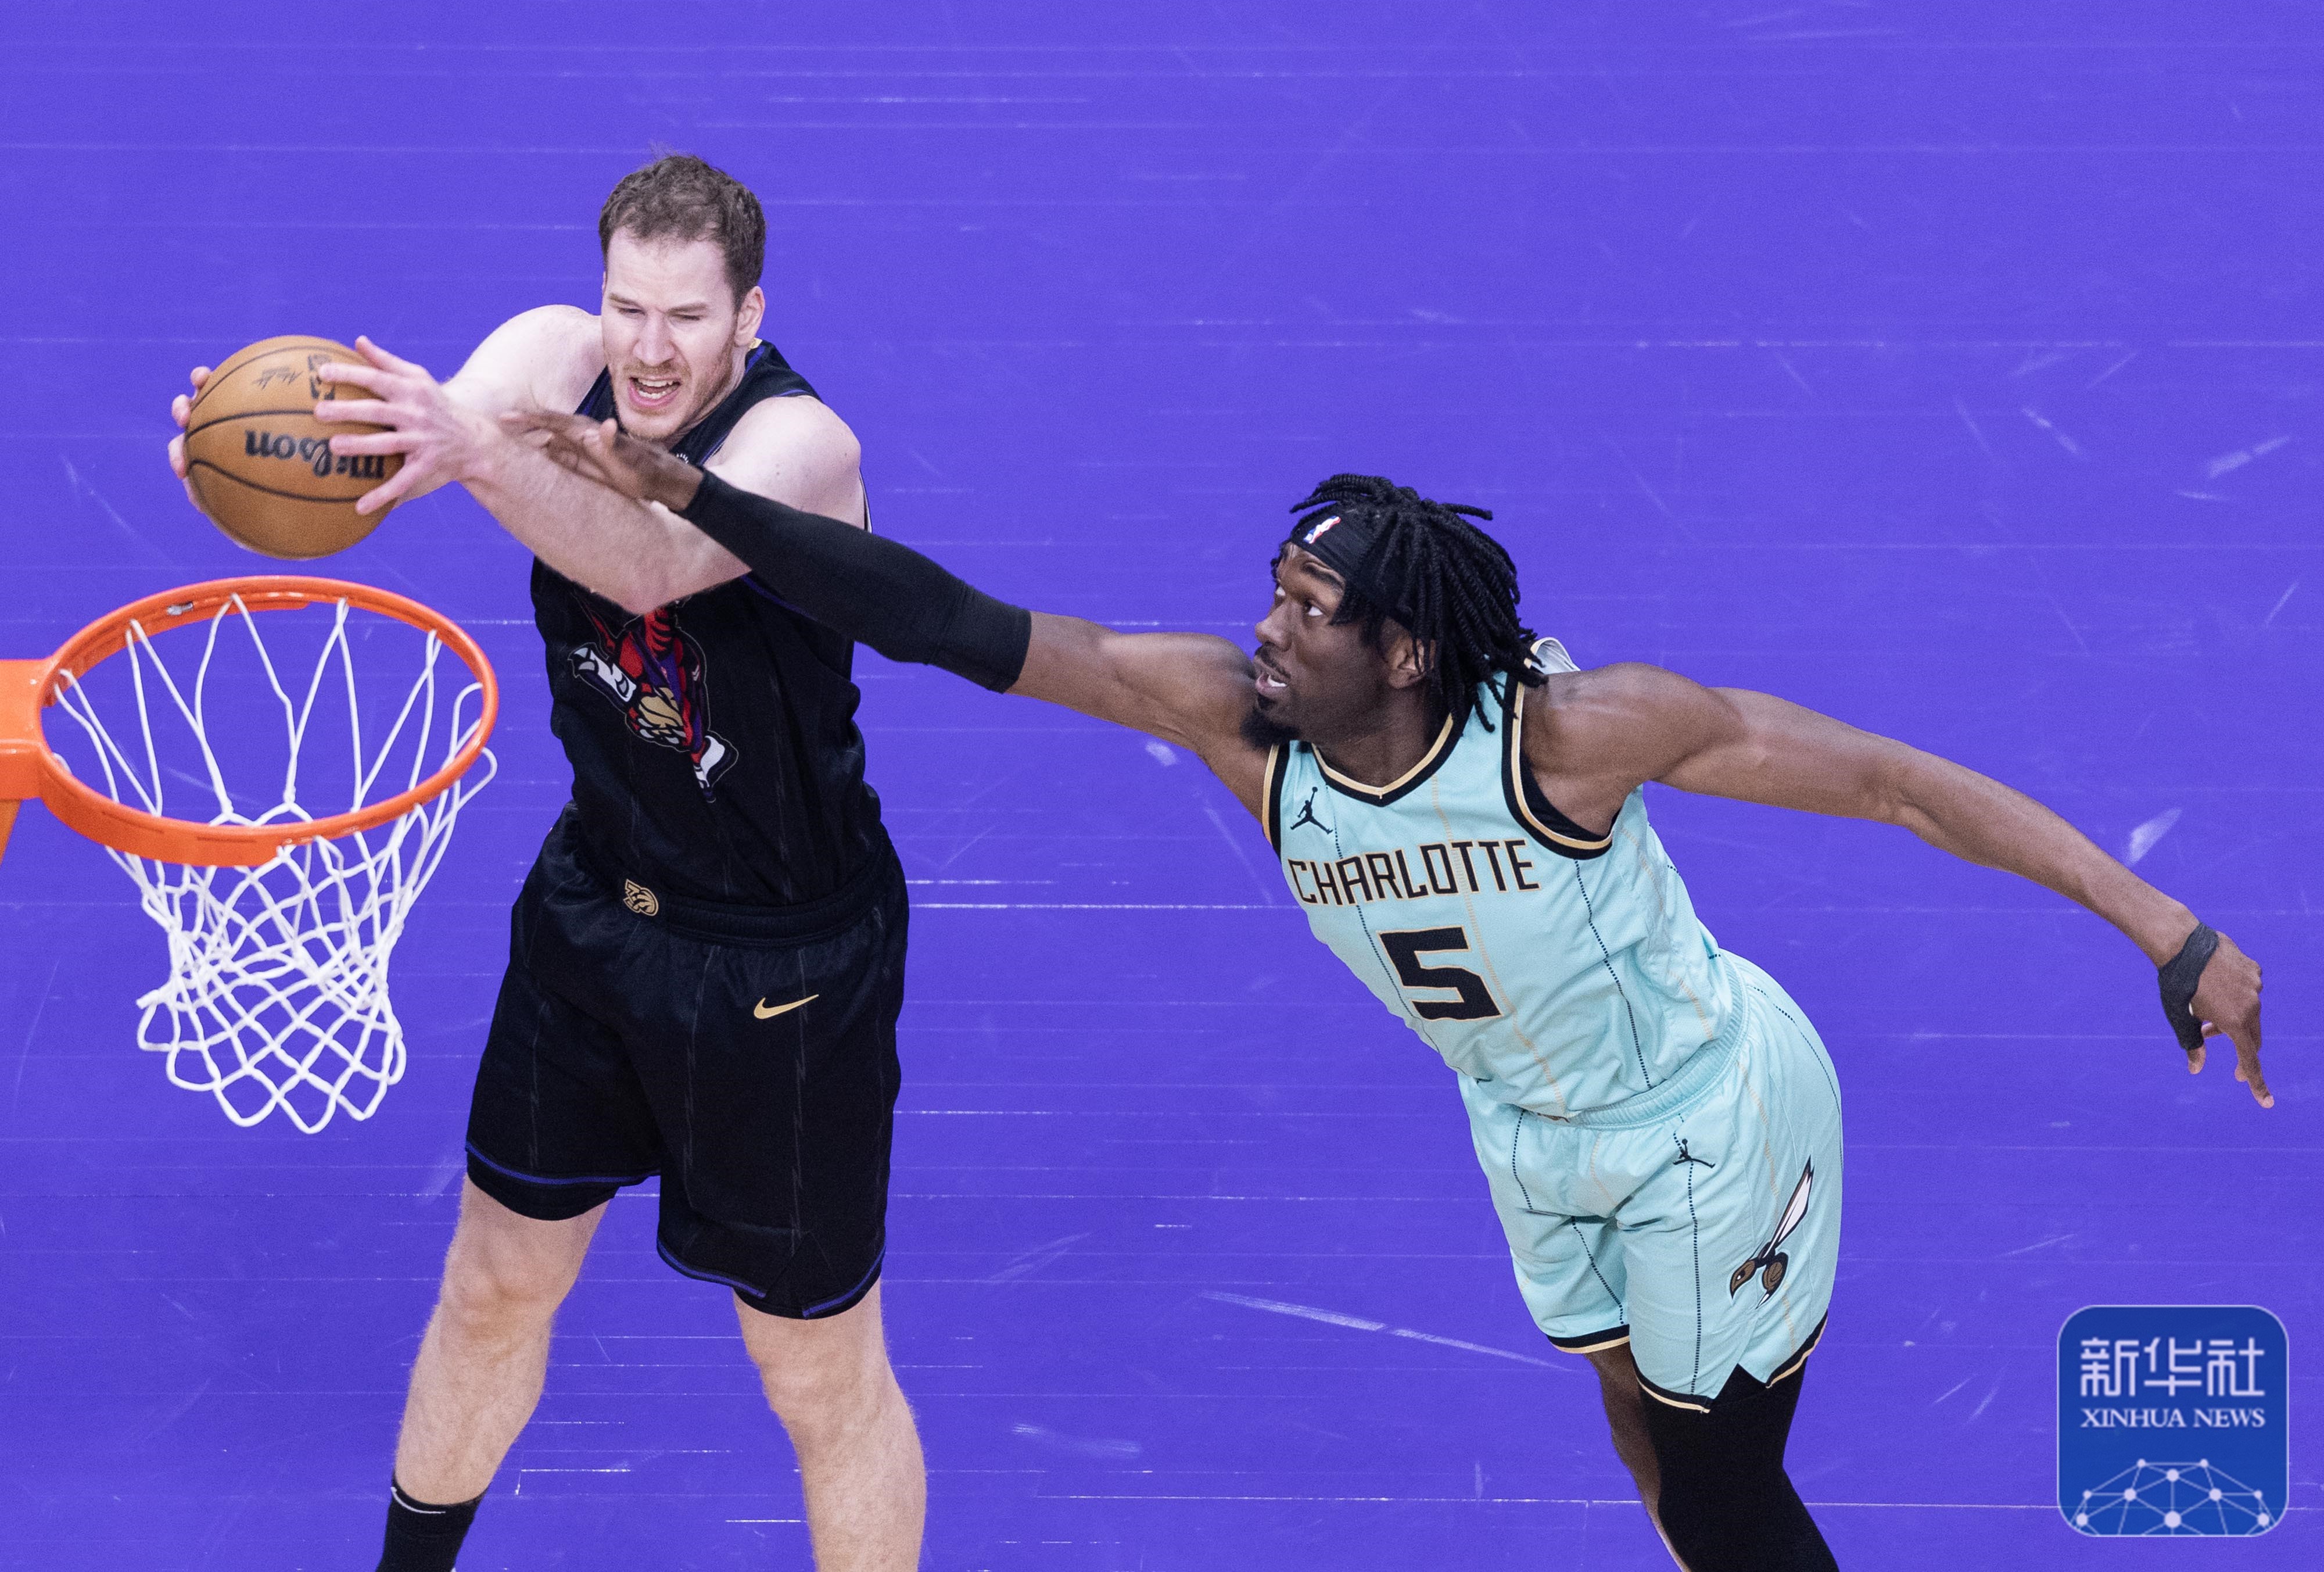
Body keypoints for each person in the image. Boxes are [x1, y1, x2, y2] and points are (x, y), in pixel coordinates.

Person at [504, 423, 2270, 1572]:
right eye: (1273, 591)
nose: (1267, 627)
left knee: (1728, 1490)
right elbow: (950, 622)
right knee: (1644, 1445)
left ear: (1405, 651)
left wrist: (2163, 927)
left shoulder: (1568, 741)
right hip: (1529, 1134)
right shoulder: (1240, 732)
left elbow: (1892, 784)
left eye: (1308, 605)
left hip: (1710, 1120)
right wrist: (702, 501)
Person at [165, 155, 926, 1572]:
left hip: (781, 965)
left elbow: (642, 560)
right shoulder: (548, 359)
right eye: (629, 306)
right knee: (492, 1286)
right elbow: (392, 449)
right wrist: (257, 447)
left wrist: (472, 447)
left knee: (815, 1375)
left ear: (748, 316)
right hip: (595, 913)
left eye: (687, 316)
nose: (650, 347)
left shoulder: (800, 447)